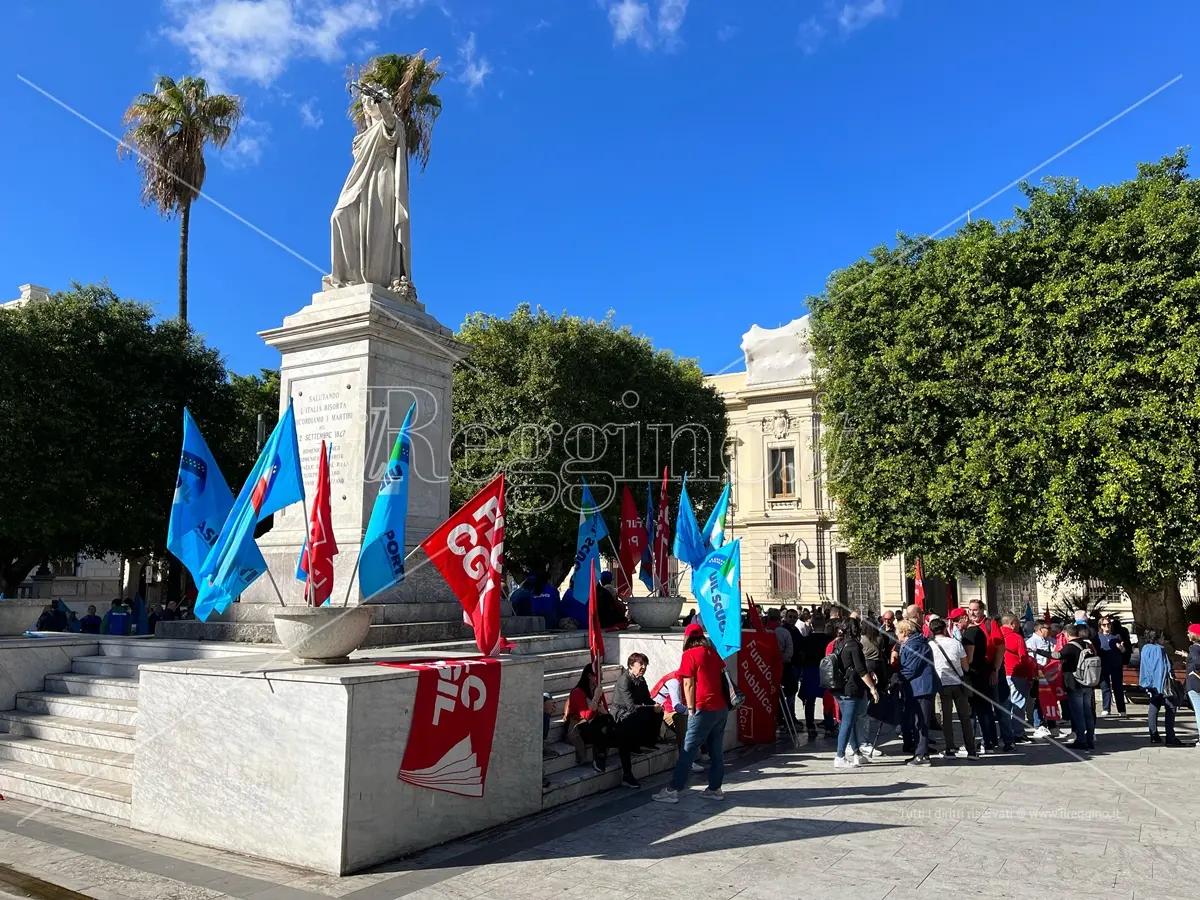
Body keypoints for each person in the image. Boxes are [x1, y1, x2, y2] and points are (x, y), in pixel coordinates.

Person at [653, 628, 731, 803]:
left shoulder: (689, 655)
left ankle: (673, 790)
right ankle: (715, 788)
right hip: (721, 708)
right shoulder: (712, 652)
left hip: (702, 708)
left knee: (688, 750)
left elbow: (688, 685)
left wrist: (690, 709)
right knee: (716, 750)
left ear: (687, 638)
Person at [831, 618, 880, 769]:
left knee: (849, 721)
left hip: (839, 688)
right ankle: (840, 756)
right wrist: (872, 688)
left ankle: (857, 753)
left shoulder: (838, 643)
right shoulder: (853, 645)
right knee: (847, 723)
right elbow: (860, 670)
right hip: (851, 689)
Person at [563, 665, 626, 777]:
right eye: (598, 674)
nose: (601, 677)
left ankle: (609, 756)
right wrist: (596, 698)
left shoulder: (595, 690)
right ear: (590, 676)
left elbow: (605, 713)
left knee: (611, 722)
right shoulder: (578, 692)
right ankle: (599, 756)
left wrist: (601, 707)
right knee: (603, 726)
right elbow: (586, 716)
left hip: (595, 724)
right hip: (579, 726)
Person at [612, 652, 664, 785]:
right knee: (630, 724)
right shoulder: (625, 680)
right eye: (640, 664)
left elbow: (646, 698)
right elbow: (629, 705)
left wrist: (655, 705)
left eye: (645, 664)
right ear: (631, 665)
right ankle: (627, 774)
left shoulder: (641, 679)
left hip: (636, 710)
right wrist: (649, 708)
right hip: (621, 714)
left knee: (658, 712)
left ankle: (645, 742)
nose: (644, 667)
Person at [929, 617, 976, 759]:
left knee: (946, 717)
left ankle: (950, 749)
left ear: (931, 631)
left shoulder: (929, 645)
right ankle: (971, 750)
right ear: (944, 629)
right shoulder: (956, 643)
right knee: (965, 717)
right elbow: (966, 666)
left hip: (942, 684)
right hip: (958, 684)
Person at [962, 601, 1002, 753]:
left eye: (976, 610)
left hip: (987, 671)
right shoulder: (971, 628)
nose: (972, 613)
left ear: (982, 610)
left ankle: (990, 740)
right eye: (970, 610)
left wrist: (995, 670)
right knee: (983, 708)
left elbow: (1000, 649)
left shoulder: (989, 625)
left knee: (988, 708)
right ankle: (989, 741)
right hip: (980, 671)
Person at [896, 619, 936, 765]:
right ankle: (918, 751)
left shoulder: (916, 644)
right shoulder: (911, 643)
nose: (897, 636)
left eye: (898, 633)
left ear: (904, 632)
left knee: (921, 722)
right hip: (914, 688)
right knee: (916, 721)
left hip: (921, 688)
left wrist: (896, 677)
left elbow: (911, 668)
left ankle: (922, 755)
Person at [1139, 629, 1182, 746]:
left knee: (1154, 706)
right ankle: (1170, 736)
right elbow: (1164, 667)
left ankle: (1154, 734)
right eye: (1162, 637)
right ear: (1157, 638)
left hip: (1150, 682)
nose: (1164, 639)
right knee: (1171, 707)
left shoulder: (1145, 648)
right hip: (1162, 683)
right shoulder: (1159, 649)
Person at [1058, 624, 1097, 750]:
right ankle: (1090, 739)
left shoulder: (1070, 646)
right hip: (1088, 682)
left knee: (1078, 713)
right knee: (1088, 712)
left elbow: (1057, 656)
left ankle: (1081, 740)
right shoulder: (1087, 644)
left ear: (1068, 635)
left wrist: (1038, 651)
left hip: (1075, 684)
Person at [1000, 614, 1034, 742]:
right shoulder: (1017, 637)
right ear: (1013, 624)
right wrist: (1029, 677)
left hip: (1001, 675)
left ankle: (1005, 732)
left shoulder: (995, 636)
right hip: (1017, 674)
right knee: (1018, 704)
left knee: (1004, 705)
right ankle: (1018, 733)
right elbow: (1024, 659)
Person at [1026, 620, 1060, 739]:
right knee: (1040, 700)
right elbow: (1031, 659)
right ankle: (1038, 724)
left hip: (1051, 675)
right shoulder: (1031, 642)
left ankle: (1052, 725)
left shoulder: (1051, 641)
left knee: (1051, 700)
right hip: (1039, 675)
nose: (1050, 631)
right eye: (1048, 628)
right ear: (1040, 629)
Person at [768, 609, 797, 732]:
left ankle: (777, 720)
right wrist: (780, 658)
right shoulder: (784, 632)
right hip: (784, 667)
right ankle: (787, 719)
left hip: (767, 669)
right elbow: (789, 653)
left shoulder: (763, 631)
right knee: (789, 694)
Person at [1096, 616, 1127, 717]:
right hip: (1104, 664)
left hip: (1116, 664)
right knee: (1105, 687)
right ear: (1101, 626)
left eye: (1108, 624)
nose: (1107, 626)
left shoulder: (1116, 636)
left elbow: (1123, 651)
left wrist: (1121, 648)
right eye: (1104, 625)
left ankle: (1121, 709)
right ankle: (1106, 708)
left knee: (1118, 687)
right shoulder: (1098, 636)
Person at [1176, 624, 1200, 745]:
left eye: (1189, 632)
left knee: (1199, 711)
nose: (1187, 634)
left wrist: (1193, 671)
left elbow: (1197, 662)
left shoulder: (1194, 648)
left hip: (1195, 683)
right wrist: (1187, 656)